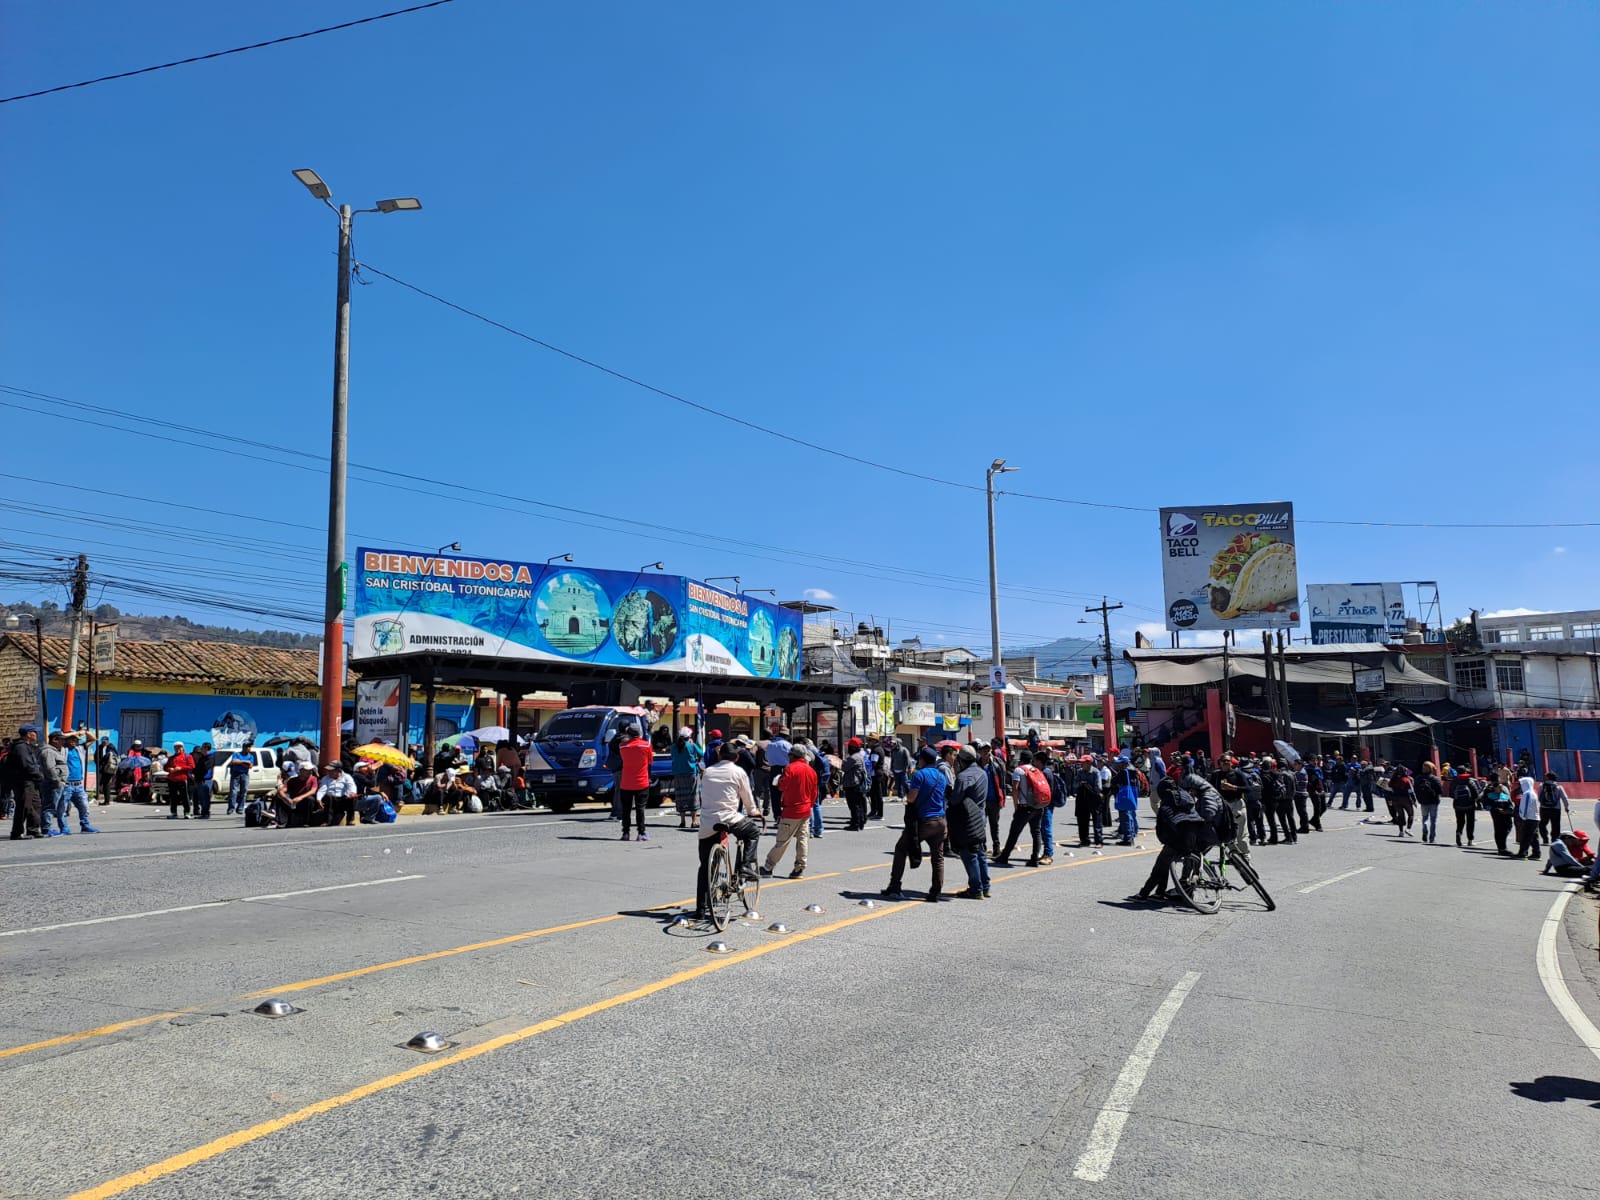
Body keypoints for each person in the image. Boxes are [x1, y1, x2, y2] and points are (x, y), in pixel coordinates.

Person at [1132, 774, 1229, 903]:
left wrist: (1166, 840)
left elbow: (1163, 825)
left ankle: (1143, 894)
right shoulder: (1187, 797)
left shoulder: (1167, 802)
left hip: (1178, 838)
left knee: (1161, 864)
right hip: (1193, 837)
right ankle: (1164, 892)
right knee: (1175, 863)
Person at [694, 742, 763, 922]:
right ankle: (745, 865)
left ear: (719, 756)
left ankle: (700, 909)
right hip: (731, 819)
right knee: (753, 832)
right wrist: (754, 811)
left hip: (708, 822)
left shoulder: (708, 772)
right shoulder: (738, 772)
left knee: (705, 866)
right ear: (737, 758)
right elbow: (747, 797)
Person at [883, 747, 949, 902]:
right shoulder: (941, 776)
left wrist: (908, 789)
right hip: (940, 820)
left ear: (922, 760)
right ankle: (936, 891)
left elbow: (911, 798)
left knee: (901, 849)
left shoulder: (920, 775)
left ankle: (895, 885)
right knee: (938, 857)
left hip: (924, 821)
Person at [762, 744, 816, 879]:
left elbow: (782, 786)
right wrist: (809, 805)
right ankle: (799, 868)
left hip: (791, 810)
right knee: (802, 839)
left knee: (782, 840)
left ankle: (768, 867)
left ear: (792, 755)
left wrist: (778, 781)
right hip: (805, 810)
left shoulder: (790, 768)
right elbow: (814, 793)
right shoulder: (811, 770)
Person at [947, 745, 991, 899]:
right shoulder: (982, 773)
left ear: (961, 760)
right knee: (980, 853)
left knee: (969, 854)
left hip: (967, 820)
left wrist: (949, 793)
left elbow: (955, 800)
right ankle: (985, 887)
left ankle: (976, 889)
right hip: (980, 817)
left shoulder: (964, 777)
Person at [994, 750, 1047, 867]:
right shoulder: (1036, 770)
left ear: (1020, 760)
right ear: (1031, 760)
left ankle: (1004, 856)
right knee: (1036, 832)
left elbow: (1015, 789)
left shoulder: (1019, 770)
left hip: (1024, 807)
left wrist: (1016, 806)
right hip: (1037, 806)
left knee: (1014, 832)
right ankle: (1035, 859)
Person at [5, 724, 48, 840]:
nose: (36, 734)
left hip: (32, 781)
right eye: (35, 732)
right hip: (24, 781)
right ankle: (17, 832)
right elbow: (27, 765)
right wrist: (39, 775)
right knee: (24, 806)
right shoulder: (21, 748)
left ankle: (33, 829)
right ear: (29, 734)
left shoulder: (28, 746)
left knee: (35, 805)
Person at [618, 723, 654, 841]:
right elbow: (650, 761)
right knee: (640, 808)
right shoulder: (646, 745)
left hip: (626, 782)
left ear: (628, 733)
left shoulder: (622, 746)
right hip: (642, 781)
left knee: (626, 809)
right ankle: (641, 833)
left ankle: (625, 833)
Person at [670, 726, 703, 832]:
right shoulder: (692, 745)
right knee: (693, 796)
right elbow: (701, 754)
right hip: (691, 772)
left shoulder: (673, 747)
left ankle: (682, 821)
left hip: (678, 773)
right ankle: (694, 821)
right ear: (689, 737)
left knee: (680, 797)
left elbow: (673, 757)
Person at [40, 730, 69, 835]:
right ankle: (46, 829)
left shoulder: (55, 751)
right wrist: (57, 780)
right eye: (62, 740)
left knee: (59, 807)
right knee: (49, 807)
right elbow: (49, 768)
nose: (64, 742)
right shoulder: (48, 751)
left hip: (59, 783)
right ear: (54, 739)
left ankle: (59, 828)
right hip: (53, 784)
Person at [273, 762, 319, 828]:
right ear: (301, 771)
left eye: (310, 770)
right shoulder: (292, 780)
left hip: (304, 801)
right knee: (278, 798)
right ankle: (282, 821)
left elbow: (313, 791)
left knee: (310, 799)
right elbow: (281, 791)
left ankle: (306, 822)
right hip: (293, 802)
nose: (310, 772)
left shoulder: (313, 779)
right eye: (307, 770)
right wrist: (287, 799)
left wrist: (300, 797)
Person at [317, 761, 360, 827]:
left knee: (353, 798)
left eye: (331, 770)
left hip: (343, 799)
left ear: (339, 770)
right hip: (332, 801)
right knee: (328, 796)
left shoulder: (347, 777)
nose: (329, 772)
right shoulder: (325, 778)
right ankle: (327, 821)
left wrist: (351, 793)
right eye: (328, 770)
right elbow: (322, 790)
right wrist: (319, 799)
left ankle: (350, 820)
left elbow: (352, 786)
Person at [763, 728, 793, 821]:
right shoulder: (787, 745)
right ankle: (786, 814)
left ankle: (777, 816)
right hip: (786, 769)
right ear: (786, 736)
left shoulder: (770, 745)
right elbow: (791, 757)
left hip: (774, 770)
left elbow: (766, 757)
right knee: (787, 793)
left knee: (774, 794)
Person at [1073, 758, 1104, 847]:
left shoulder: (1095, 772)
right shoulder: (1080, 771)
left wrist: (1088, 785)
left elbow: (1098, 788)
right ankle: (1084, 840)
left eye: (1083, 763)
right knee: (1082, 819)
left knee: (1097, 820)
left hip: (1094, 797)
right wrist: (1081, 783)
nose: (1082, 764)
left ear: (1089, 763)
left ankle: (1098, 841)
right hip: (1082, 798)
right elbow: (1074, 784)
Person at [1514, 767, 1542, 861]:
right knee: (1533, 836)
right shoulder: (1533, 793)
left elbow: (1524, 807)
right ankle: (1536, 853)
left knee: (1526, 836)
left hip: (1528, 818)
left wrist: (1523, 816)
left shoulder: (1527, 794)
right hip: (1535, 818)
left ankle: (1522, 853)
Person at [841, 737, 869, 831]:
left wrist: (843, 760)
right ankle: (859, 822)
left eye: (849, 747)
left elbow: (844, 767)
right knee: (858, 804)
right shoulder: (859, 756)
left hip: (852, 784)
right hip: (857, 783)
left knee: (854, 805)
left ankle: (856, 824)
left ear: (852, 748)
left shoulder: (853, 758)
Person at [1483, 778, 1515, 856]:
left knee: (1507, 829)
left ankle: (1502, 847)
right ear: (1495, 788)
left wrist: (1508, 810)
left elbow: (1511, 805)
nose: (1501, 789)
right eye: (1499, 787)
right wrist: (1496, 810)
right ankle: (1501, 848)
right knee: (1499, 831)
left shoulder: (1505, 796)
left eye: (1501, 787)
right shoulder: (1490, 796)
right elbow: (1487, 806)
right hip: (1497, 816)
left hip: (1506, 815)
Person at [807, 740, 831, 840]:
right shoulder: (817, 752)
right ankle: (819, 829)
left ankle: (810, 829)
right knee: (816, 805)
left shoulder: (807, 752)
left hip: (809, 779)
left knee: (809, 805)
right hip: (817, 780)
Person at [1451, 769, 1482, 847]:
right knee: (1470, 822)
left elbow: (1451, 794)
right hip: (1470, 805)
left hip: (1458, 805)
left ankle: (1459, 833)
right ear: (1465, 772)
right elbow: (1476, 793)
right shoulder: (1470, 781)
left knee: (1460, 821)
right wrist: (1474, 800)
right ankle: (1470, 840)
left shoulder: (1455, 781)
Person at [165, 740, 194, 819]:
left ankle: (187, 812)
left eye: (179, 747)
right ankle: (173, 812)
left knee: (184, 797)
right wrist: (169, 769)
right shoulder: (171, 758)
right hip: (172, 779)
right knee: (173, 797)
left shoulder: (187, 756)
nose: (178, 749)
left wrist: (181, 768)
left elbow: (191, 766)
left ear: (182, 748)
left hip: (182, 779)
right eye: (176, 747)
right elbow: (166, 767)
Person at [1415, 762, 1443, 844]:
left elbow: (1415, 789)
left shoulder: (1418, 778)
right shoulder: (1435, 779)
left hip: (1423, 801)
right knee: (1433, 820)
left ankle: (1425, 828)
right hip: (1433, 801)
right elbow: (1440, 791)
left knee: (1425, 817)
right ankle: (1432, 838)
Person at [1538, 772, 1569, 844]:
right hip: (1556, 808)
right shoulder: (1558, 787)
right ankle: (1554, 840)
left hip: (1544, 808)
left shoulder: (1542, 786)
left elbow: (1539, 797)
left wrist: (1542, 803)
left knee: (1542, 824)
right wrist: (1566, 807)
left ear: (1548, 778)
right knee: (1556, 825)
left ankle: (1545, 839)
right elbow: (1565, 798)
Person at [225, 742, 255, 816]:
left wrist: (240, 762)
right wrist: (244, 762)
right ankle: (231, 808)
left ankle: (240, 808)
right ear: (244, 747)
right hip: (235, 774)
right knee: (233, 791)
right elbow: (234, 761)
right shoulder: (237, 754)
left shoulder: (251, 756)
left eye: (250, 747)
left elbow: (250, 766)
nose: (249, 748)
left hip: (245, 774)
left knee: (244, 791)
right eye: (248, 747)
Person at [1389, 764, 1416, 838]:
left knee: (1400, 815)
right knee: (1410, 814)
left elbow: (1389, 792)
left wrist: (1390, 800)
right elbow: (1411, 791)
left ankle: (1401, 831)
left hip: (1395, 799)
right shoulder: (1407, 780)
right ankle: (1408, 829)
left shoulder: (1392, 780)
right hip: (1405, 799)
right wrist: (1414, 800)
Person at [94, 736, 117, 806]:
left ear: (108, 741)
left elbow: (111, 756)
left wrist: (102, 760)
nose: (104, 742)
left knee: (106, 784)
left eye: (105, 741)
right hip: (101, 768)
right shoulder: (100, 747)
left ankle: (107, 800)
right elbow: (96, 755)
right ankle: (102, 798)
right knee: (101, 783)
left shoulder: (111, 747)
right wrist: (98, 763)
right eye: (103, 741)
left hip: (108, 767)